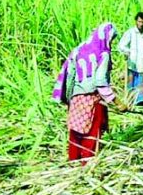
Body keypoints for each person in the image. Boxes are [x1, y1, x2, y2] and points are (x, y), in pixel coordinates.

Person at [53, 22, 127, 163]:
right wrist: (118, 102)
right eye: (111, 39)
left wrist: (69, 98)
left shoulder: (79, 49)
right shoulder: (103, 54)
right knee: (91, 133)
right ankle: (87, 163)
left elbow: (70, 75)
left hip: (76, 98)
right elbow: (100, 82)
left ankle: (73, 160)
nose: (111, 43)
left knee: (76, 130)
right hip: (92, 99)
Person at [118, 12, 143, 106]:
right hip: (132, 64)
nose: (141, 24)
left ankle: (139, 105)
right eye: (139, 21)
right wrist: (127, 52)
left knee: (140, 86)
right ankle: (130, 104)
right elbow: (121, 46)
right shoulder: (130, 33)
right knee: (131, 85)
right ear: (136, 21)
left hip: (142, 64)